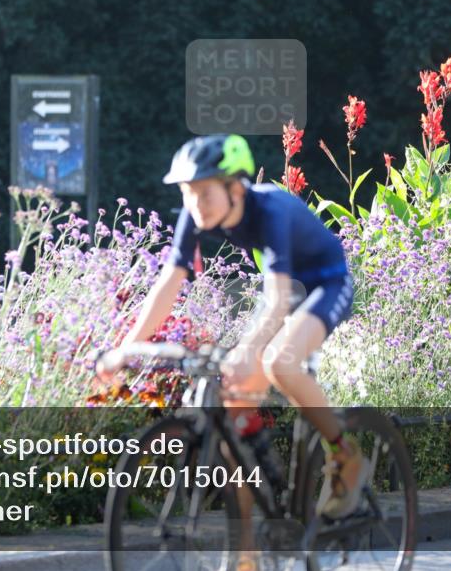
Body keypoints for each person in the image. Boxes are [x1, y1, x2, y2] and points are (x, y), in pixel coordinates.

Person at [96, 134, 365, 569]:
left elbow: (278, 301)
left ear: (235, 187)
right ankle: (246, 556)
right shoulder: (196, 212)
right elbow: (169, 282)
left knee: (279, 361)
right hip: (284, 289)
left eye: (204, 192)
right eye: (187, 193)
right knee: (234, 401)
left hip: (324, 282)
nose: (195, 204)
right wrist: (127, 348)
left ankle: (345, 454)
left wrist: (249, 349)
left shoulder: (271, 209)